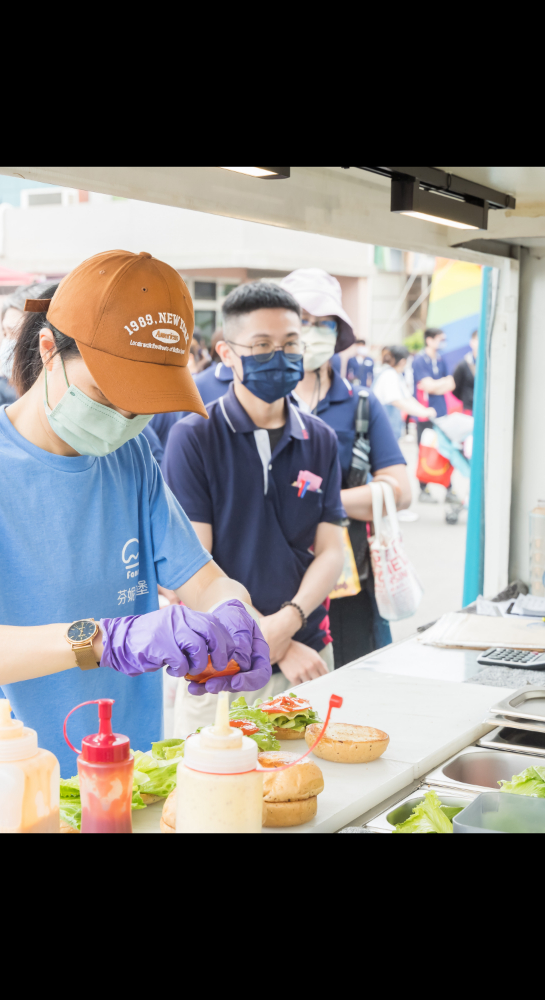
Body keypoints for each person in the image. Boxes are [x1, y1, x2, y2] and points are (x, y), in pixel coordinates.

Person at [0, 251, 273, 832]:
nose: (124, 415)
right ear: (47, 354)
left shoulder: (130, 455)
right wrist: (98, 639)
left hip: (128, 784)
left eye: (143, 402)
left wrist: (233, 610)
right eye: (108, 392)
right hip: (12, 795)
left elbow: (201, 576)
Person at [163, 281, 346, 738]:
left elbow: (330, 551)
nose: (278, 356)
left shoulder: (320, 438)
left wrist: (289, 624)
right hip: (222, 665)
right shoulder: (195, 437)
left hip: (308, 659)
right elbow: (193, 566)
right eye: (261, 346)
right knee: (214, 793)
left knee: (310, 794)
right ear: (226, 353)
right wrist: (273, 644)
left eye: (289, 344)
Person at [281, 268, 410, 666]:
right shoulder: (253, 404)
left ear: (338, 333)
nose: (310, 331)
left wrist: (325, 502)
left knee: (352, 696)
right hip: (272, 583)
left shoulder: (360, 405)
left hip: (347, 584)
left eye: (322, 323)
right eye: (300, 320)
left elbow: (401, 490)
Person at [411, 327, 457, 504]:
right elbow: (427, 385)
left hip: (441, 412)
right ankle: (423, 490)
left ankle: (449, 489)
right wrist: (439, 385)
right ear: (429, 340)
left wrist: (436, 385)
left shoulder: (440, 359)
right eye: (439, 339)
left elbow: (451, 383)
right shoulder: (419, 360)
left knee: (446, 451)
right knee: (424, 451)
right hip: (424, 413)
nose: (442, 342)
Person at [373, 345, 436, 441]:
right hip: (382, 430)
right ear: (403, 361)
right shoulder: (389, 375)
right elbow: (397, 401)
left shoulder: (395, 374)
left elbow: (408, 398)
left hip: (389, 429)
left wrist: (425, 410)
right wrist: (423, 412)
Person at [452, 330, 477, 415]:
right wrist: (466, 398)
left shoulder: (488, 364)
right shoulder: (463, 365)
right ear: (471, 342)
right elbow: (455, 386)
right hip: (469, 408)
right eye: (477, 340)